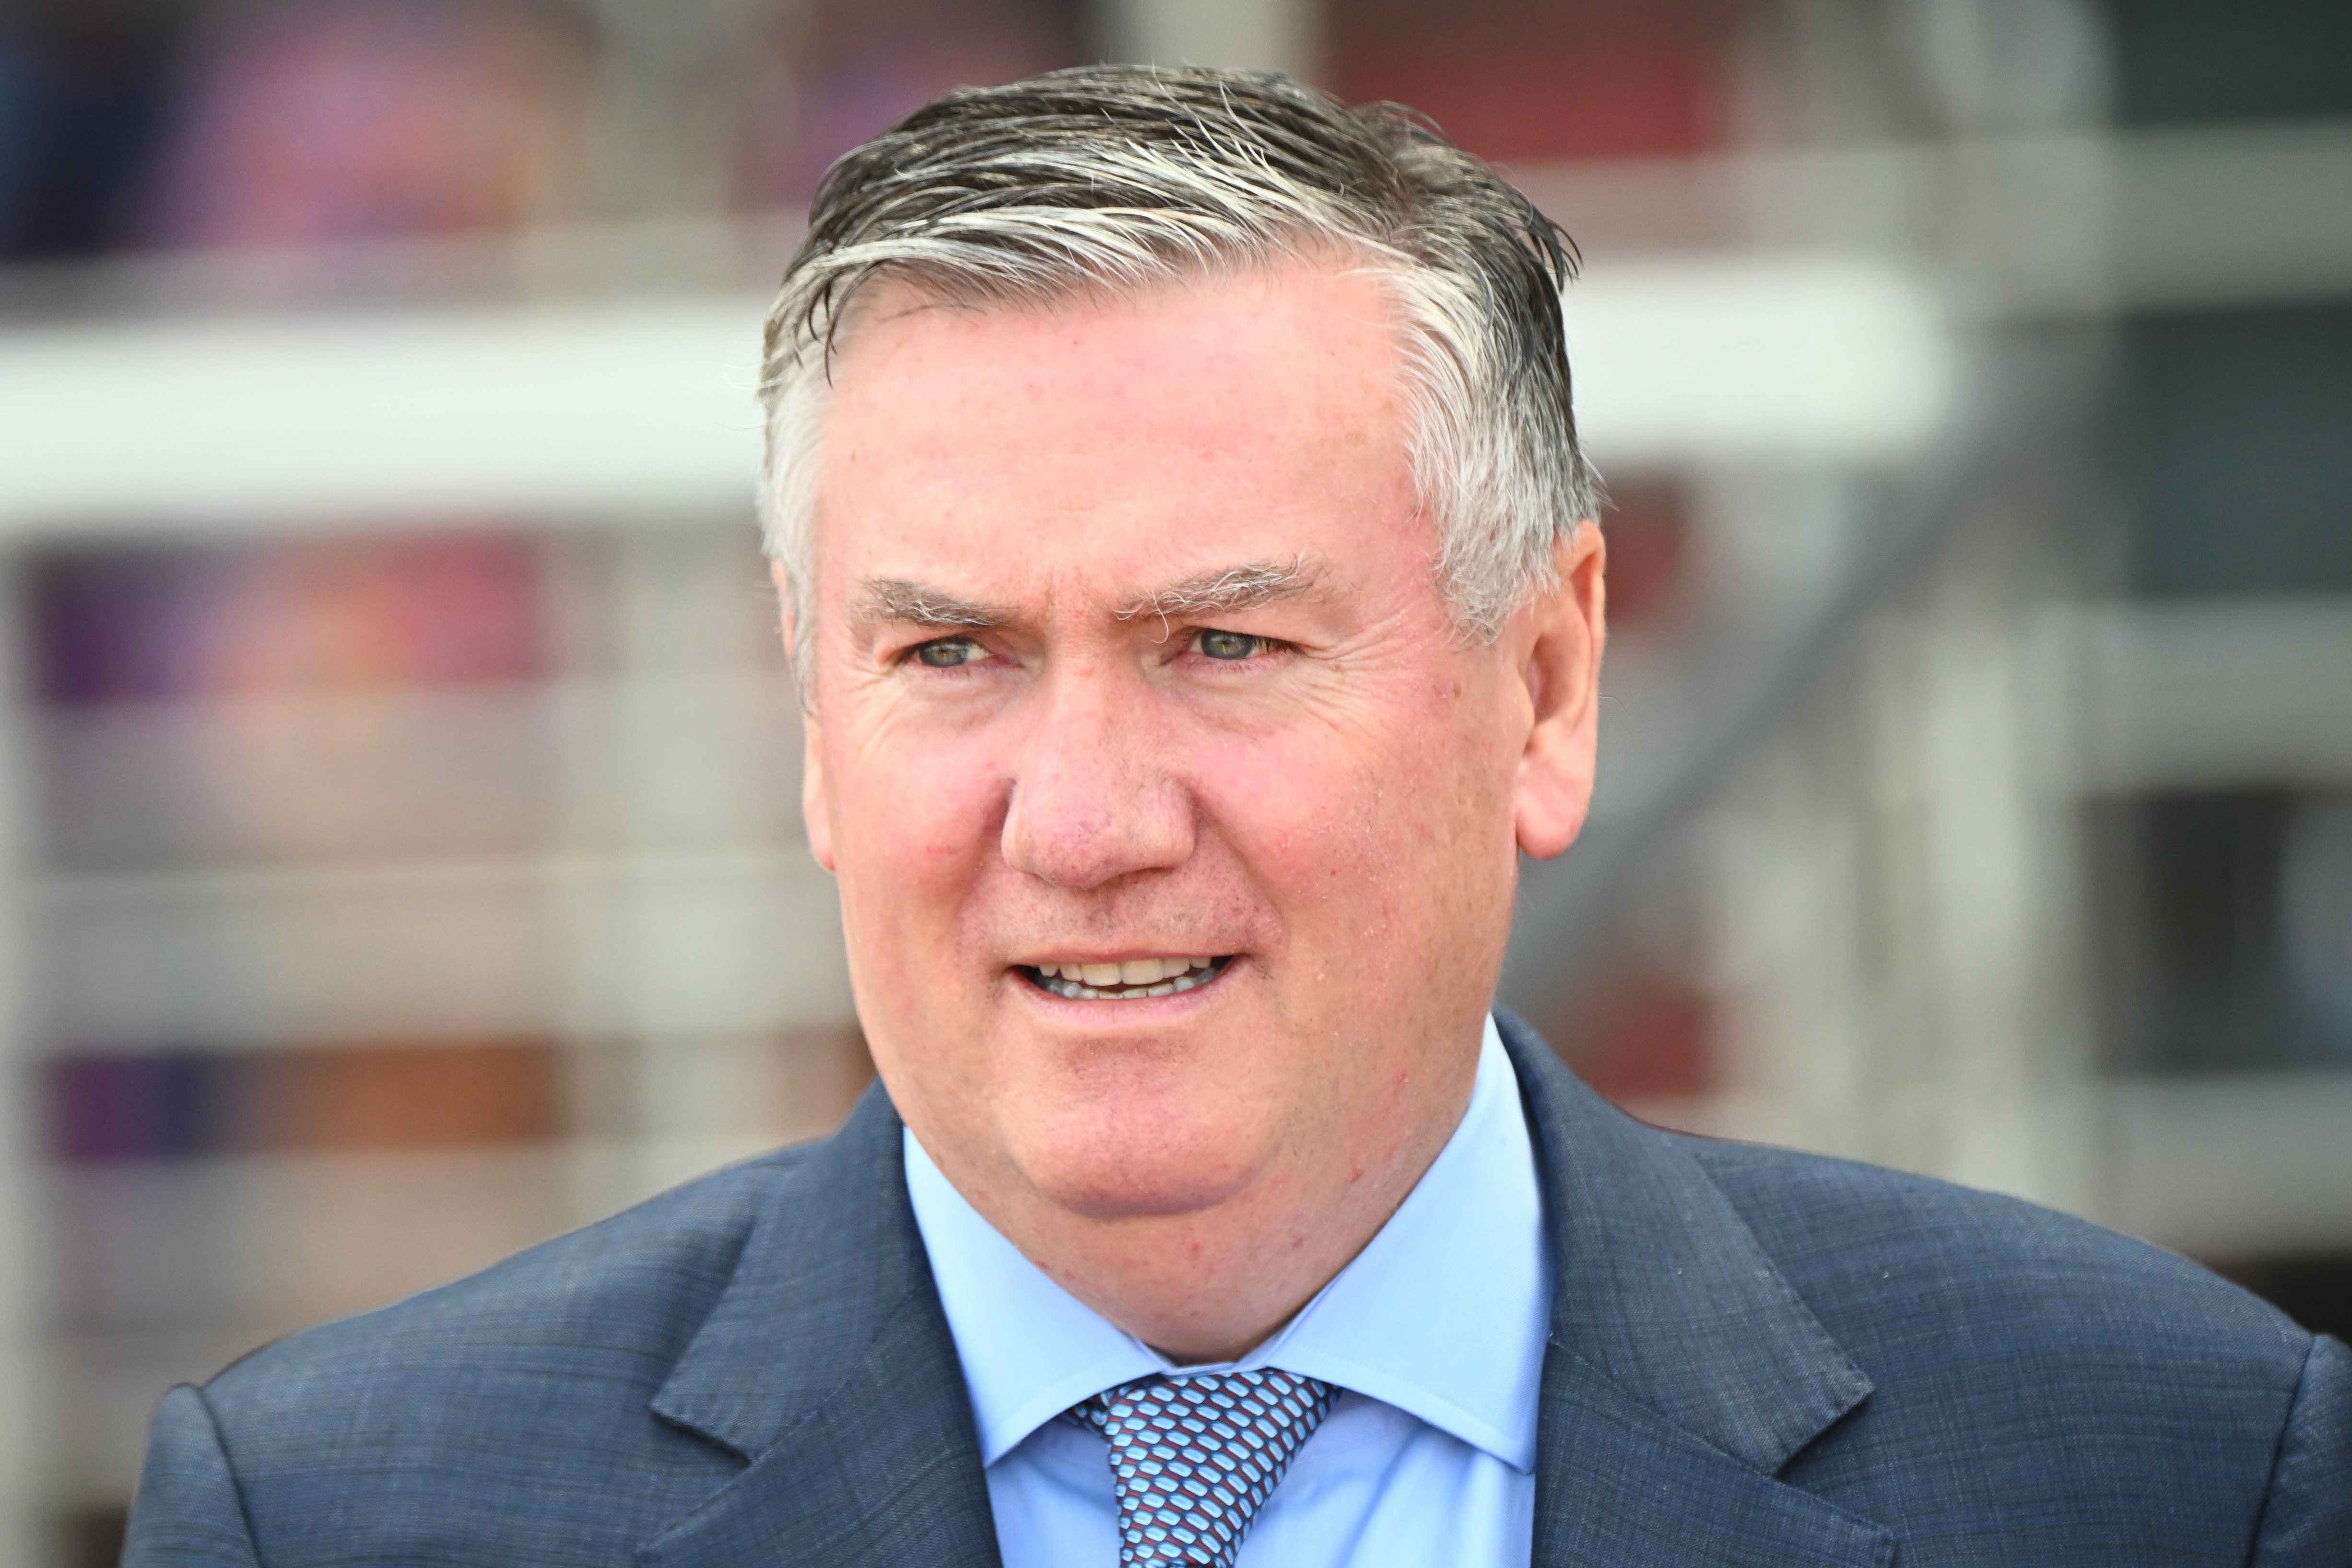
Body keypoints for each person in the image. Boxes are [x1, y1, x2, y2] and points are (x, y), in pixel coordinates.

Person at [125, 65, 2347, 1568]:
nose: (1084, 820)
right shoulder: (333, 1518)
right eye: (950, 652)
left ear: (1544, 684)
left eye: (1222, 642)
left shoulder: (2163, 1468)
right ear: (811, 718)